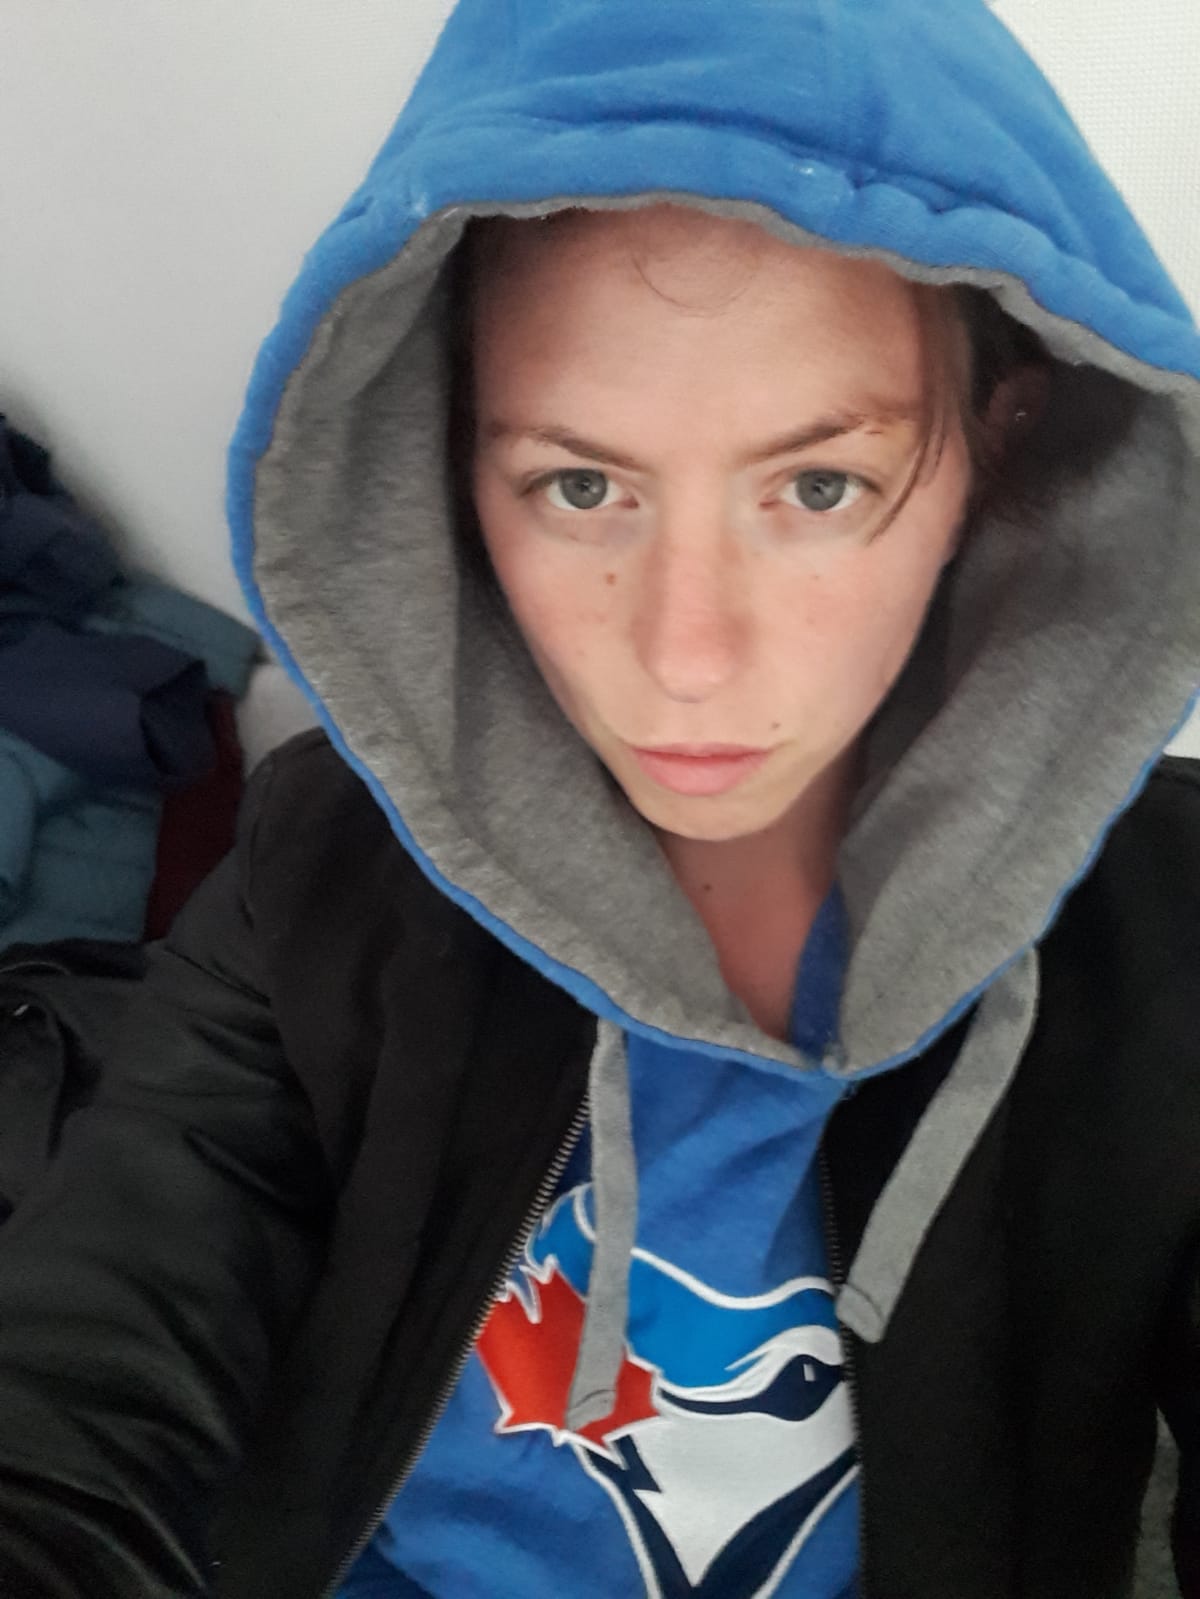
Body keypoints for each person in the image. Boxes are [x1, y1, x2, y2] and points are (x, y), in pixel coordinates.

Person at [0, 0, 1197, 1595]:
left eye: (817, 486)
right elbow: (93, 1363)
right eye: (581, 486)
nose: (686, 656)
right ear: (442, 467)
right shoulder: (328, 856)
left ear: (1002, 455)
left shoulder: (1175, 933)